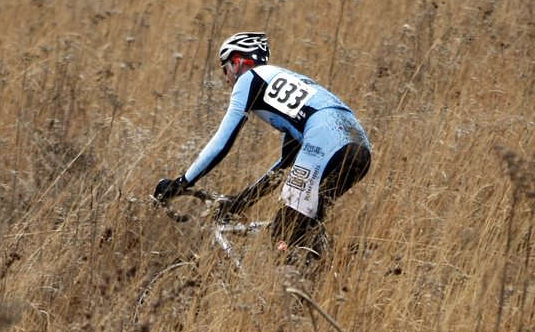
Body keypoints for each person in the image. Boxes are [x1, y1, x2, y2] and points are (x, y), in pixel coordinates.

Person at [154, 31, 372, 261]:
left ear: (237, 63)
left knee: (283, 232)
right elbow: (284, 167)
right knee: (305, 226)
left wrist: (182, 182)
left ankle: (292, 290)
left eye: (224, 68)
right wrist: (242, 201)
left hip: (325, 139)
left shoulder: (250, 79)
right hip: (358, 145)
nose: (226, 79)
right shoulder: (286, 82)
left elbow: (222, 142)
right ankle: (329, 278)